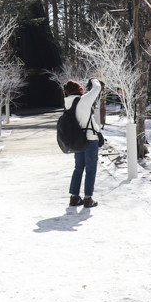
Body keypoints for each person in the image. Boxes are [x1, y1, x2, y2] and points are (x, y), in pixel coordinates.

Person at [63, 78, 104, 208]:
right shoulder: (84, 100)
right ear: (78, 90)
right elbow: (97, 88)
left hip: (76, 140)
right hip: (90, 139)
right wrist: (94, 79)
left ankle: (74, 197)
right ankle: (88, 199)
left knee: (78, 168)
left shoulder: (67, 103)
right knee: (90, 169)